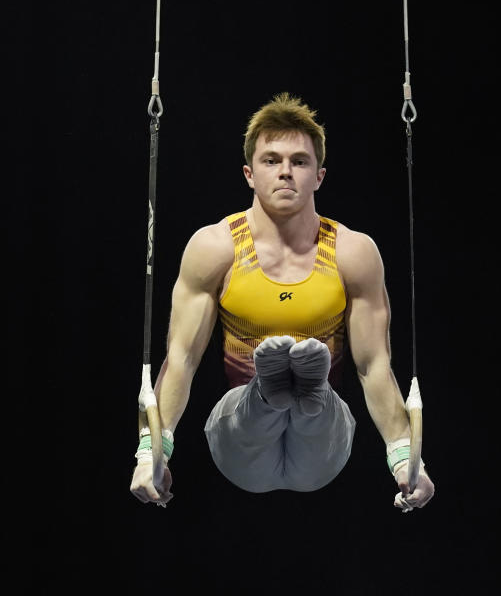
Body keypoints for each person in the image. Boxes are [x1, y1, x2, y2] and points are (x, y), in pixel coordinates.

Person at [129, 93, 434, 511]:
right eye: (271, 160)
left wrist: (405, 458)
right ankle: (270, 390)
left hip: (323, 447)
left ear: (320, 176)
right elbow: (180, 359)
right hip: (240, 441)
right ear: (249, 174)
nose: (285, 172)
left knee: (323, 410)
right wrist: (151, 453)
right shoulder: (215, 247)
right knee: (249, 407)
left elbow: (374, 366)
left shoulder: (353, 252)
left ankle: (306, 390)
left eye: (299, 161)